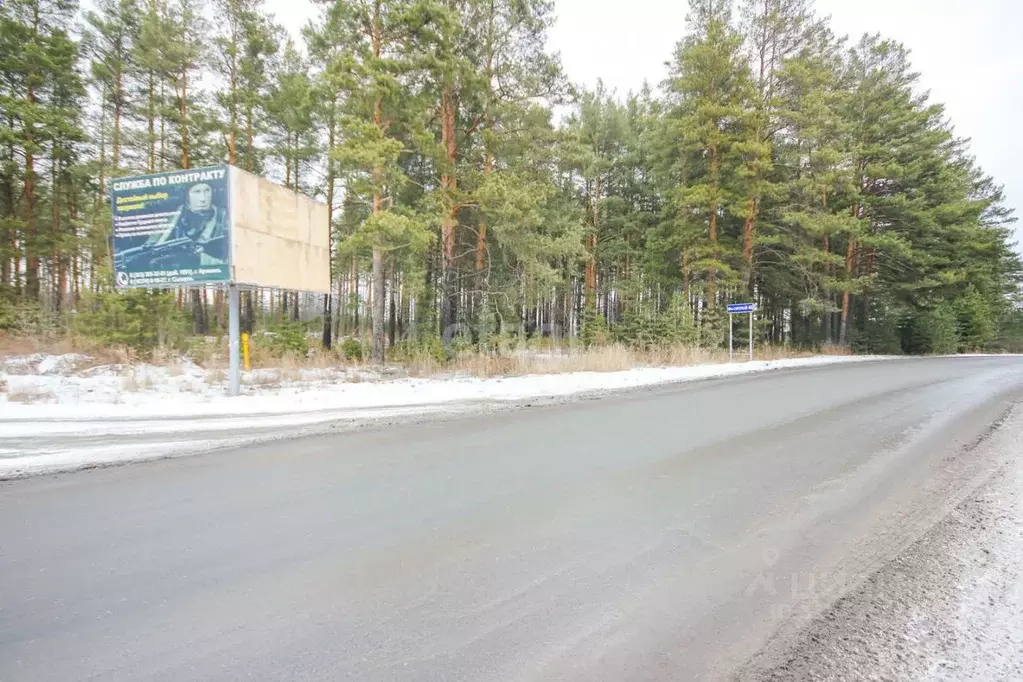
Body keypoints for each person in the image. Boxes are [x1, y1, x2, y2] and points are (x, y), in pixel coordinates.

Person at [143, 182, 228, 267]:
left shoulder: (224, 218)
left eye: (207, 191)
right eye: (196, 192)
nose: (203, 198)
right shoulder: (172, 217)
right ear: (186, 195)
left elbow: (230, 263)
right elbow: (150, 247)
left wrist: (199, 258)